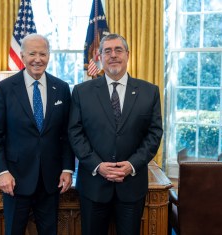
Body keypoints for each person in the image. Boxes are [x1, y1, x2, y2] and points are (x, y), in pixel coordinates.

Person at [68, 33, 163, 235]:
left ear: (127, 55)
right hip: (93, 185)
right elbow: (75, 133)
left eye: (118, 50)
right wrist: (97, 165)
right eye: (107, 51)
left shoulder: (149, 92)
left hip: (131, 185)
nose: (113, 55)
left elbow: (154, 134)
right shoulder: (81, 92)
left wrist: (132, 165)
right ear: (99, 56)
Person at [0, 34, 75, 235]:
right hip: (15, 180)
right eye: (32, 53)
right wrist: (2, 172)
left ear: (49, 56)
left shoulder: (61, 88)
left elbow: (66, 134)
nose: (38, 59)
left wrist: (68, 168)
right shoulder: (4, 89)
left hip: (51, 180)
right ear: (22, 55)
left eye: (42, 53)